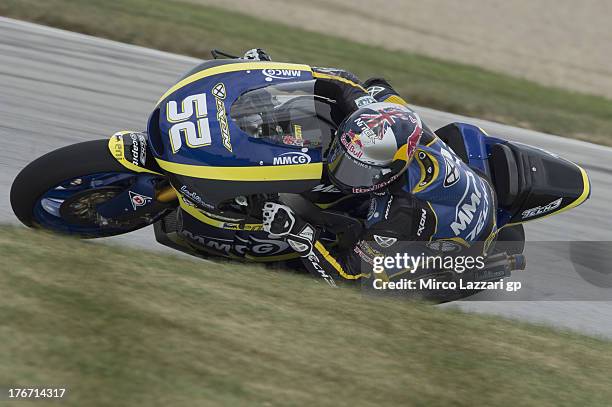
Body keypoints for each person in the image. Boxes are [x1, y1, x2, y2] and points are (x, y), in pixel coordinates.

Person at [242, 49, 498, 290]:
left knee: (299, 263)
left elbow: (349, 278)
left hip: (460, 246)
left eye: (358, 170)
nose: (344, 171)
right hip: (460, 177)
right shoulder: (388, 112)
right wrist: (272, 71)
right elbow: (349, 81)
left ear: (390, 173)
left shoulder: (399, 215)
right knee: (372, 88)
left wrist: (298, 232)